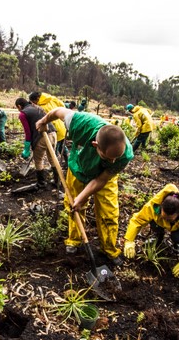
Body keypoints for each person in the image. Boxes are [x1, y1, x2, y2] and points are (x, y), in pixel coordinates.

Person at [35, 107, 134, 266]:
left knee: (109, 212)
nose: (113, 161)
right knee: (74, 205)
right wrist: (43, 121)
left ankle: (108, 248)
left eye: (116, 158)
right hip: (79, 169)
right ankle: (74, 240)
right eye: (109, 157)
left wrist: (83, 196)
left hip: (104, 177)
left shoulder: (125, 155)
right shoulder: (80, 123)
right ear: (96, 145)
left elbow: (101, 180)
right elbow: (58, 111)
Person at [123, 184, 179, 278]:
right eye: (164, 217)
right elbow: (138, 220)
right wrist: (129, 240)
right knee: (155, 224)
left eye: (169, 219)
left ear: (178, 214)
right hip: (158, 223)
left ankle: (176, 243)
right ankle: (158, 235)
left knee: (178, 237)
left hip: (178, 228)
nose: (166, 220)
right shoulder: (155, 204)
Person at [15, 97, 57, 189]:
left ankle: (41, 183)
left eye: (17, 108)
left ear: (19, 106)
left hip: (42, 136)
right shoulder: (36, 107)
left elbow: (28, 132)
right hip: (53, 133)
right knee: (52, 158)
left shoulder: (23, 113)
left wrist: (26, 148)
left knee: (38, 160)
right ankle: (57, 181)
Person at [29, 92, 68, 160]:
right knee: (62, 146)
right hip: (62, 125)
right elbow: (62, 106)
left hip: (55, 129)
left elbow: (43, 121)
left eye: (33, 102)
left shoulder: (41, 107)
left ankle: (56, 166)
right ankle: (67, 162)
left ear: (37, 99)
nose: (33, 104)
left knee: (53, 151)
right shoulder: (52, 99)